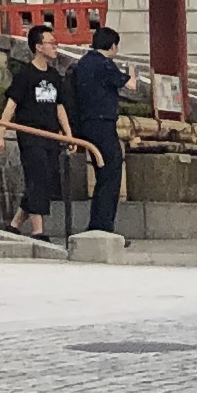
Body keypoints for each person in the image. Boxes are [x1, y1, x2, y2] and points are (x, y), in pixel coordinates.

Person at [0, 38, 71, 240]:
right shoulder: (25, 75)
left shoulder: (55, 76)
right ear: (38, 47)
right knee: (37, 177)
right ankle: (38, 230)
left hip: (50, 134)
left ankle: (15, 224)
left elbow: (59, 106)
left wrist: (68, 134)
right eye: (51, 42)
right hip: (30, 133)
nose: (56, 46)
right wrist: (0, 134)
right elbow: (11, 105)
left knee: (46, 179)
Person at [67, 20, 130, 238]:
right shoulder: (105, 64)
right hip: (103, 123)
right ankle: (102, 225)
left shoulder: (83, 63)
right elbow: (122, 82)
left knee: (102, 172)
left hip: (85, 123)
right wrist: (130, 76)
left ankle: (98, 223)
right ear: (112, 46)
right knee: (111, 173)